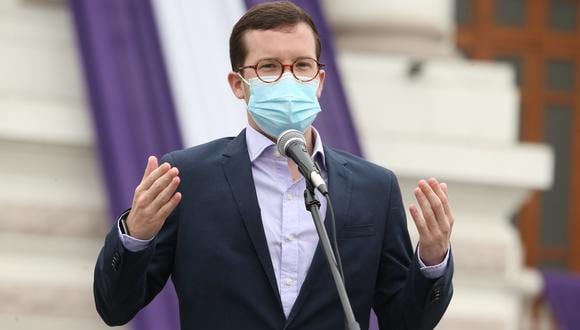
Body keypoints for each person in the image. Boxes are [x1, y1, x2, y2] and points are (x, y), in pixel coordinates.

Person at [93, 2, 454, 329]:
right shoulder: (189, 178)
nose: (287, 78)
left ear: (320, 80)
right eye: (268, 67)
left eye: (301, 65)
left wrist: (432, 261)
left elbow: (405, 323)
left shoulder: (373, 188)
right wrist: (136, 235)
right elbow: (116, 308)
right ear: (238, 84)